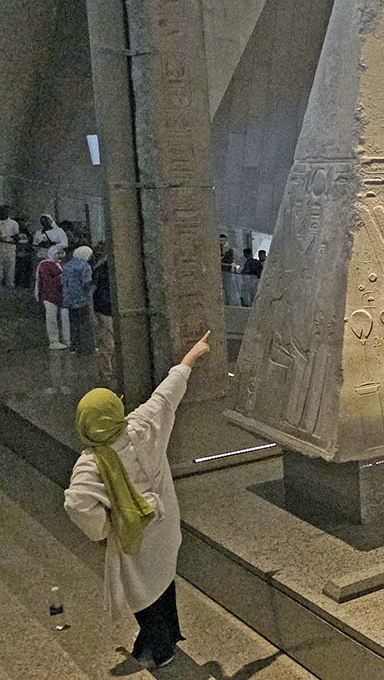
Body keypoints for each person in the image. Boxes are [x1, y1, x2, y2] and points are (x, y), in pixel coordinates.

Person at [64, 331, 212, 668]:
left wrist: (104, 526)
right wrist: (192, 355)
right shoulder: (143, 425)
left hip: (133, 536)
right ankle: (165, 636)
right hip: (164, 525)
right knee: (163, 579)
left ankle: (161, 648)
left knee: (142, 592)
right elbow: (167, 392)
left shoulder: (91, 463)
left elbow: (77, 503)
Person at [62, 245, 96, 355]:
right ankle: (86, 348)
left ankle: (74, 347)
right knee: (85, 324)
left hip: (69, 299)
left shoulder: (67, 265)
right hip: (82, 299)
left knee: (74, 324)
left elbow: (63, 282)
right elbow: (87, 283)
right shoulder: (85, 266)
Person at [35, 245, 70, 350]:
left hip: (62, 295)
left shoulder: (61, 265)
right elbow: (45, 281)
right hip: (49, 295)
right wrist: (60, 278)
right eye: (57, 253)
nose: (59, 256)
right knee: (51, 318)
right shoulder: (44, 265)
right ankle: (53, 340)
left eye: (61, 253)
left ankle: (67, 339)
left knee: (65, 318)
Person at [92, 244, 115, 384]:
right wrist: (92, 313)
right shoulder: (102, 268)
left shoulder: (104, 267)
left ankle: (108, 373)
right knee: (108, 344)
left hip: (108, 308)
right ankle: (105, 375)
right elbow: (92, 292)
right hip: (104, 309)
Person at [0, 204, 18, 288]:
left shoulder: (13, 223)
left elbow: (16, 236)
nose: (4, 212)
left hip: (9, 249)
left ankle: (10, 287)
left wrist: (6, 238)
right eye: (2, 210)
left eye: (6, 211)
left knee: (10, 269)